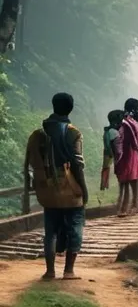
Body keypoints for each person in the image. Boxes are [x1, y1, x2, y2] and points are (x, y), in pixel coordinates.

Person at [24, 92, 88, 280]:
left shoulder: (39, 133)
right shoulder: (72, 132)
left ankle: (50, 271)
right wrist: (83, 189)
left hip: (47, 191)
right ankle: (68, 270)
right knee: (75, 225)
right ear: (70, 108)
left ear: (53, 106)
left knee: (50, 231)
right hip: (69, 191)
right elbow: (77, 164)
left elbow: (30, 163)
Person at [115, 99, 138, 216]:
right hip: (132, 153)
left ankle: (124, 207)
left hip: (124, 153)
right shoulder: (131, 122)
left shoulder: (122, 121)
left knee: (125, 181)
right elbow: (136, 141)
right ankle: (131, 206)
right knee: (132, 180)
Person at [100, 110, 123, 192]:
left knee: (105, 168)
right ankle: (104, 185)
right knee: (107, 168)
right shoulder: (113, 132)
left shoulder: (108, 131)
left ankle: (104, 185)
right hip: (111, 152)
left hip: (107, 152)